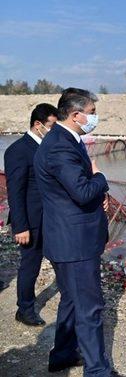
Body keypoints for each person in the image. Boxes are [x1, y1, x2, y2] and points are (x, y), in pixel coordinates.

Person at [34, 88, 117, 376]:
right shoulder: (60, 146)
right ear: (75, 114)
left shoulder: (64, 140)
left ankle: (63, 354)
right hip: (75, 243)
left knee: (71, 299)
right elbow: (81, 191)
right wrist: (100, 178)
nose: (95, 118)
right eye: (92, 113)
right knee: (89, 308)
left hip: (67, 238)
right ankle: (97, 370)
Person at [3, 103, 58, 327]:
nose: (54, 131)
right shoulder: (18, 150)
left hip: (51, 219)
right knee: (30, 265)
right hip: (31, 221)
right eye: (51, 126)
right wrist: (20, 226)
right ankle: (24, 309)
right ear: (38, 125)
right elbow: (15, 192)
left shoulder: (48, 148)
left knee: (59, 260)